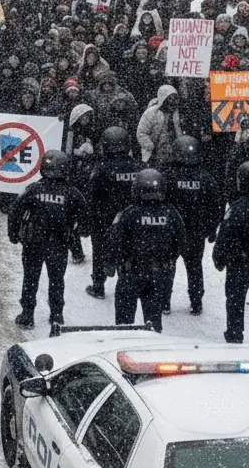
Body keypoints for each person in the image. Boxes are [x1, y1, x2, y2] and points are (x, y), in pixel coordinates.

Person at [7, 149, 90, 332]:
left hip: (34, 243)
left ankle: (27, 314)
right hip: (58, 244)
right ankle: (56, 314)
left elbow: (15, 210)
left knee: (30, 279)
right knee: (57, 281)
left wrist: (13, 233)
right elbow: (85, 217)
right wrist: (78, 232)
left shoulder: (33, 189)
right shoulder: (72, 193)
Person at [105, 169, 186, 333]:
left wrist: (110, 263)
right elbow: (180, 240)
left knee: (124, 325)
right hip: (157, 274)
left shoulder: (128, 213)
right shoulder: (171, 213)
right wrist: (167, 260)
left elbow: (113, 241)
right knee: (154, 322)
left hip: (130, 274)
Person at [165, 136, 223, 316]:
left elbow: (159, 205)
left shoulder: (168, 176)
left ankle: (164, 301)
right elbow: (217, 206)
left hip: (173, 232)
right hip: (196, 233)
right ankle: (196, 302)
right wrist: (212, 229)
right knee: (195, 267)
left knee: (167, 267)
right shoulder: (206, 178)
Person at [85, 126, 140, 299]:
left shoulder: (101, 168)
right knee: (128, 250)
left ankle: (98, 285)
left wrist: (91, 217)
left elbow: (92, 194)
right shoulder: (137, 166)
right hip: (130, 218)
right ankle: (127, 283)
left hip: (104, 217)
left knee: (99, 250)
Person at [213, 161, 249, 343]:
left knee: (235, 300)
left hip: (240, 263)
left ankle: (235, 335)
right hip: (240, 261)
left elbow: (225, 235)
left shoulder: (237, 208)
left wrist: (219, 258)